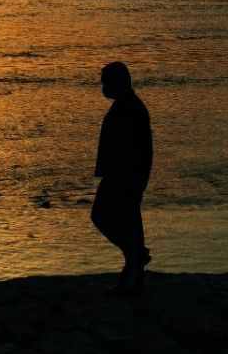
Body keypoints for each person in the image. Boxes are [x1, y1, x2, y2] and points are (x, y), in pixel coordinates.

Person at [91, 61, 153, 295]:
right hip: (127, 175)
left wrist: (130, 178)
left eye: (105, 83)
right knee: (130, 224)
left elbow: (135, 148)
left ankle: (135, 257)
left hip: (124, 176)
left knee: (101, 216)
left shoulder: (130, 108)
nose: (103, 88)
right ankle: (135, 270)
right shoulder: (128, 105)